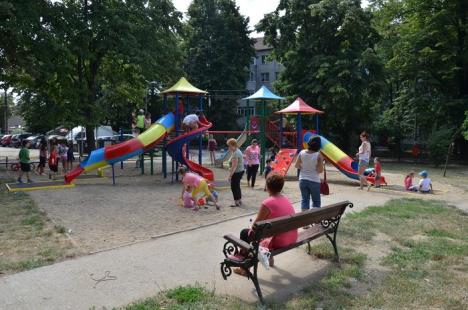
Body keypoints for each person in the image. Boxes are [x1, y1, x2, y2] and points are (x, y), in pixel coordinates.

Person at [233, 174, 298, 275]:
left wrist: (249, 232)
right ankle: (270, 258)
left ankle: (244, 268)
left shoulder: (267, 203)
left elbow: (255, 227)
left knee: (245, 233)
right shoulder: (286, 199)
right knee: (268, 231)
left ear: (267, 187)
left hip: (279, 242)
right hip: (291, 237)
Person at [295, 136, 324, 214]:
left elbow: (297, 165)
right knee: (316, 202)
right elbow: (320, 170)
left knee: (304, 200)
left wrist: (304, 168)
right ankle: (316, 221)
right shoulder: (318, 155)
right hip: (314, 180)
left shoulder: (302, 152)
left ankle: (305, 224)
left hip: (302, 180)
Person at [227, 138, 245, 207]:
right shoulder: (237, 151)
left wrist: (230, 175)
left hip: (237, 172)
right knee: (237, 186)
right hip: (240, 171)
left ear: (233, 145)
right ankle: (239, 200)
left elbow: (234, 166)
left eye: (229, 146)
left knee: (234, 187)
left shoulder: (235, 153)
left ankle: (236, 202)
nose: (229, 147)